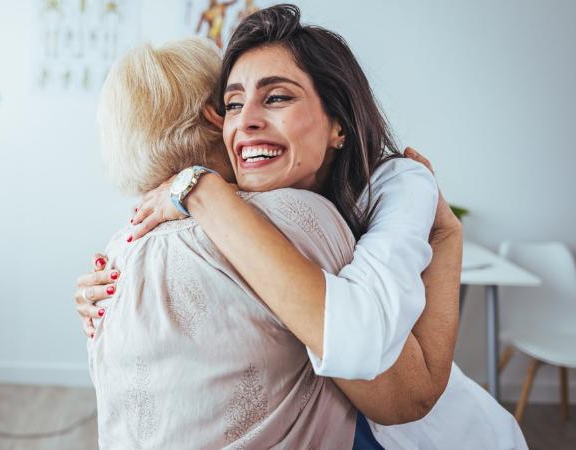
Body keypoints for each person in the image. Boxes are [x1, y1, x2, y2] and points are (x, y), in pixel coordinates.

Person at [79, 5, 527, 449]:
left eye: (276, 97)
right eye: (233, 103)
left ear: (339, 123)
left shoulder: (393, 186)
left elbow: (403, 392)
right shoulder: (209, 213)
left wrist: (203, 190)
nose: (247, 119)